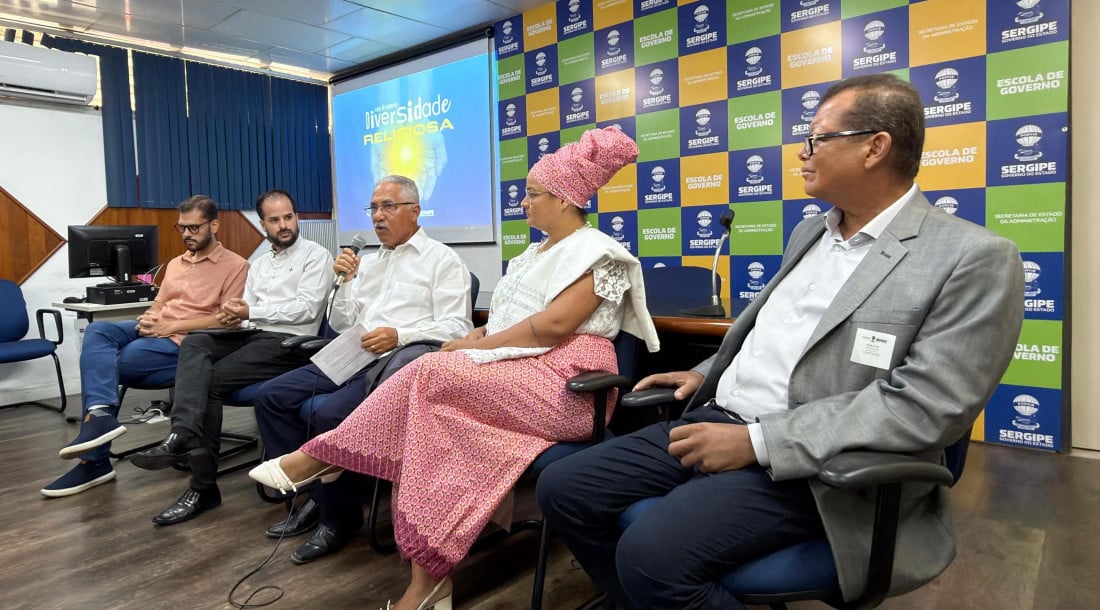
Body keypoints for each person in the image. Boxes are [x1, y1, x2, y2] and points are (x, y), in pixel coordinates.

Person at [535, 74, 1027, 609]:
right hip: (720, 418)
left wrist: (758, 443)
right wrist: (704, 372)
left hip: (814, 467)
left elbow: (925, 408)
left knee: (651, 555)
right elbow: (775, 336)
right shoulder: (810, 232)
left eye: (817, 138)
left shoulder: (971, 257)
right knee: (563, 488)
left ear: (874, 147)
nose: (802, 152)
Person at [248, 127, 659, 610]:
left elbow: (552, 327)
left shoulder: (602, 254)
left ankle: (329, 456)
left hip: (568, 387)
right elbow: (510, 321)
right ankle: (429, 583)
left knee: (430, 370)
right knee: (434, 418)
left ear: (565, 199)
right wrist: (477, 337)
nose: (523, 202)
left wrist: (473, 346)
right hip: (518, 371)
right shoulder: (534, 254)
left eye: (532, 194)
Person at [251, 175, 473, 560]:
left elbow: (458, 327)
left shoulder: (442, 260)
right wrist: (346, 283)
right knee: (270, 397)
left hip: (395, 362)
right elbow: (342, 321)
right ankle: (316, 496)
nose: (378, 216)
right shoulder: (369, 263)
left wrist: (399, 334)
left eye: (388, 207)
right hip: (352, 353)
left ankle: (338, 519)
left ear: (415, 211)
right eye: (374, 208)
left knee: (327, 414)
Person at [126, 189, 334, 525]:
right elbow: (245, 312)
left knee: (208, 380)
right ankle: (181, 433)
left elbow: (306, 309)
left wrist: (250, 311)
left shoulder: (316, 255)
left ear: (297, 218)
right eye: (275, 219)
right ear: (263, 224)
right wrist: (233, 315)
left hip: (288, 342)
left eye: (288, 217)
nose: (283, 225)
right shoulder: (259, 264)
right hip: (252, 334)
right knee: (196, 343)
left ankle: (202, 486)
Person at [42, 196, 249, 498]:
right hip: (160, 331)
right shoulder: (176, 263)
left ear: (214, 225)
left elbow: (226, 321)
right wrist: (150, 317)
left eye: (194, 227)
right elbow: (160, 303)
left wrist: (170, 327)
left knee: (112, 363)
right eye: (181, 228)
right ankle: (99, 416)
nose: (187, 234)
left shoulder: (236, 265)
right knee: (98, 331)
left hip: (189, 342)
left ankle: (95, 462)